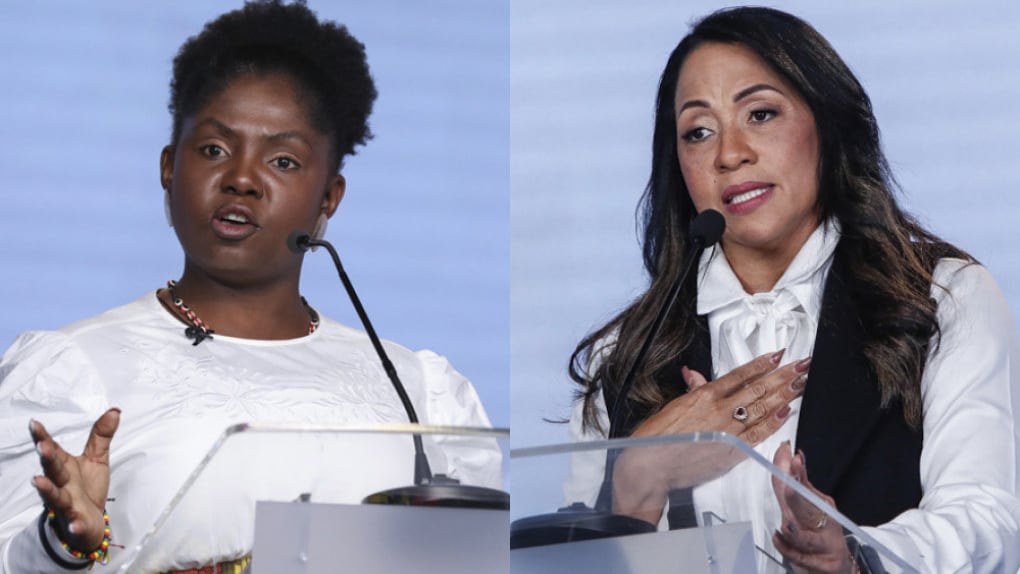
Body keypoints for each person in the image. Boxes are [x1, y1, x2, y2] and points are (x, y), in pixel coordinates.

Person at [0, 1, 501, 572]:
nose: (241, 178)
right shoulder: (76, 371)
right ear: (169, 167)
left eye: (283, 161)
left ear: (329, 197)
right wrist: (63, 543)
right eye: (214, 150)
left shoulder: (418, 392)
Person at [565, 6, 1020, 573]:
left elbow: (986, 520)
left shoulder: (943, 299)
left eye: (760, 114)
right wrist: (638, 480)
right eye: (699, 132)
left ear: (827, 125)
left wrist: (856, 556)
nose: (729, 154)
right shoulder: (624, 356)